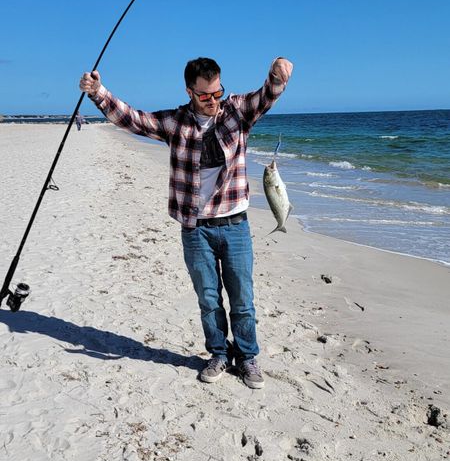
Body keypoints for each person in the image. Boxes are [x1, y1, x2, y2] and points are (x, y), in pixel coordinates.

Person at [79, 56, 293, 388]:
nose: (213, 101)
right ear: (189, 91)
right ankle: (219, 354)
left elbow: (266, 94)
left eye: (217, 92)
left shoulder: (237, 112)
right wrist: (98, 92)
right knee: (208, 299)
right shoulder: (175, 123)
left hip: (235, 225)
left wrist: (277, 75)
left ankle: (248, 358)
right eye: (205, 95)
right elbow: (133, 119)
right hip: (195, 229)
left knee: (242, 299)